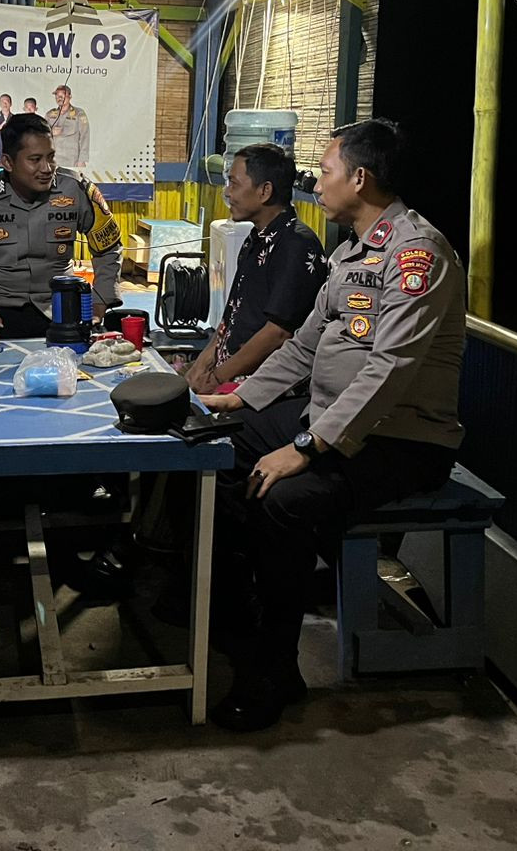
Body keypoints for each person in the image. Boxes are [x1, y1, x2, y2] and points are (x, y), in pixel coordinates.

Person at [198, 119, 465, 732]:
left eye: (328, 169)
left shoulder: (416, 255)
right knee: (217, 450)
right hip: (328, 418)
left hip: (402, 440)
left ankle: (274, 669)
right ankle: (239, 619)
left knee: (283, 499)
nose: (317, 180)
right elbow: (303, 345)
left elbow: (390, 369)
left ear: (360, 178)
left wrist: (305, 447)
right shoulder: (349, 251)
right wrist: (242, 400)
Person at [0, 113, 121, 340]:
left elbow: (109, 248)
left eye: (51, 157)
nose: (47, 168)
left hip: (62, 310)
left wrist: (99, 305)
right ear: (8, 162)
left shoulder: (77, 190)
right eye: (35, 159)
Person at [185, 144, 327, 394]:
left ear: (264, 191)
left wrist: (217, 379)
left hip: (260, 390)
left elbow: (277, 334)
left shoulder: (297, 245)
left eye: (234, 183)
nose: (228, 193)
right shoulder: (256, 238)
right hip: (227, 377)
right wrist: (201, 365)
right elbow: (231, 317)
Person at [46, 85, 90, 170]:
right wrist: (51, 132)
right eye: (57, 96)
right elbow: (42, 135)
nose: (59, 98)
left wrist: (82, 159)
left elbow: (85, 136)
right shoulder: (50, 114)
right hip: (53, 159)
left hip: (71, 160)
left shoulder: (79, 113)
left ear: (70, 97)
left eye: (62, 96)